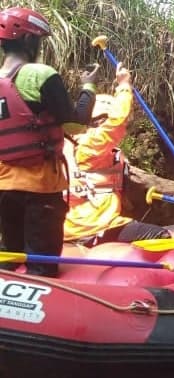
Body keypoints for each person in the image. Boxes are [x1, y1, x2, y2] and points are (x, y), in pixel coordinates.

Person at [0, 7, 97, 277]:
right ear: (30, 41)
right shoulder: (40, 75)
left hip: (4, 188)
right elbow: (76, 123)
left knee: (7, 259)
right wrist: (88, 86)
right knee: (42, 268)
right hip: (40, 190)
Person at [63, 63, 170, 246]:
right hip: (96, 226)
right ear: (99, 120)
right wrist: (124, 86)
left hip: (78, 225)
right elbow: (117, 122)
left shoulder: (73, 144)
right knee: (161, 236)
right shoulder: (90, 145)